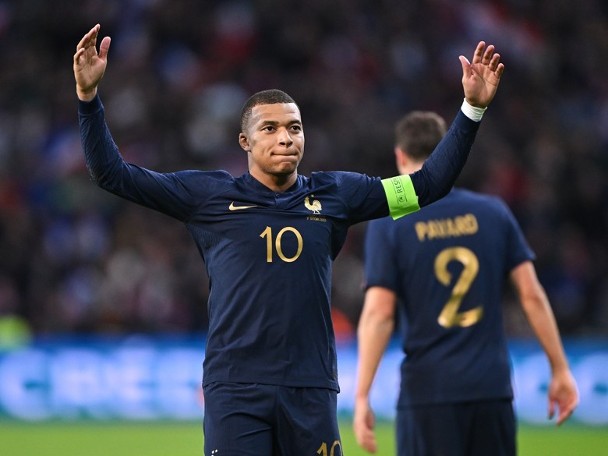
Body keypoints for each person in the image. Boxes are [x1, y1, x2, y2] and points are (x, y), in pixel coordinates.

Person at [73, 23, 504, 455]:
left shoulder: (338, 194)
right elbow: (112, 174)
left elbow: (426, 186)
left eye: (295, 128)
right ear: (244, 141)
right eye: (270, 128)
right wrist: (88, 99)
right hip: (236, 390)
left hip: (310, 388)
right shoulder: (209, 195)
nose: (285, 138)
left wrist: (471, 110)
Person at [353, 111, 580, 455]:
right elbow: (531, 295)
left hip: (429, 392)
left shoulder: (390, 222)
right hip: (490, 389)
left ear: (400, 156)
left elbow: (379, 314)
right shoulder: (493, 212)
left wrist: (362, 395)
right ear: (446, 153)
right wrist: (560, 369)